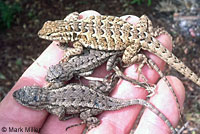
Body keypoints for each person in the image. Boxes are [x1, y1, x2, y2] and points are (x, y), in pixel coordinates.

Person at [0, 10, 185, 134]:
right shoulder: (75, 20)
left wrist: (68, 51)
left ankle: (141, 58)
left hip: (134, 42)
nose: (46, 37)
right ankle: (149, 36)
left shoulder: (79, 42)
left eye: (50, 36)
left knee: (128, 59)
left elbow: (77, 50)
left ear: (61, 35)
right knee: (142, 19)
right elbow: (73, 14)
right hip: (139, 31)